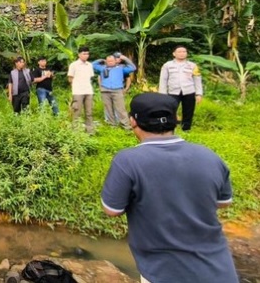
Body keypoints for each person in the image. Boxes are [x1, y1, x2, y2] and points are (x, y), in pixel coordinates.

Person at [101, 93, 237, 283]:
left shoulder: (127, 161)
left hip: (164, 272)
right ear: (176, 120)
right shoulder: (209, 156)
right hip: (220, 270)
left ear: (133, 121)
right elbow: (223, 203)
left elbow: (112, 209)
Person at [159, 45, 203, 131]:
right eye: (179, 52)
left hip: (189, 91)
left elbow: (197, 80)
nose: (182, 54)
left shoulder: (192, 65)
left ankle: (186, 128)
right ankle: (170, 128)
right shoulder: (167, 65)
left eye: (184, 52)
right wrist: (162, 94)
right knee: (170, 110)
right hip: (173, 91)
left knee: (188, 111)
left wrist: (199, 94)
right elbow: (163, 80)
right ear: (174, 54)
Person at [92, 53, 136, 130]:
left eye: (112, 61)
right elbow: (92, 65)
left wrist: (125, 58)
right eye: (108, 61)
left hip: (117, 90)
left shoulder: (121, 68)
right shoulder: (102, 68)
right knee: (108, 108)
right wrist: (101, 60)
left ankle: (126, 125)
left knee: (121, 109)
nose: (110, 62)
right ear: (106, 61)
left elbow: (133, 68)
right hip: (105, 90)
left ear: (115, 61)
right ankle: (112, 124)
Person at [68, 46, 95, 134]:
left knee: (89, 112)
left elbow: (90, 77)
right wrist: (75, 87)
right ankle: (76, 131)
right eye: (84, 54)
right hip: (78, 91)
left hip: (88, 91)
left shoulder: (89, 65)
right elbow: (70, 78)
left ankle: (90, 131)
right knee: (77, 112)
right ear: (79, 54)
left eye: (87, 54)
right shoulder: (74, 65)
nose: (86, 56)